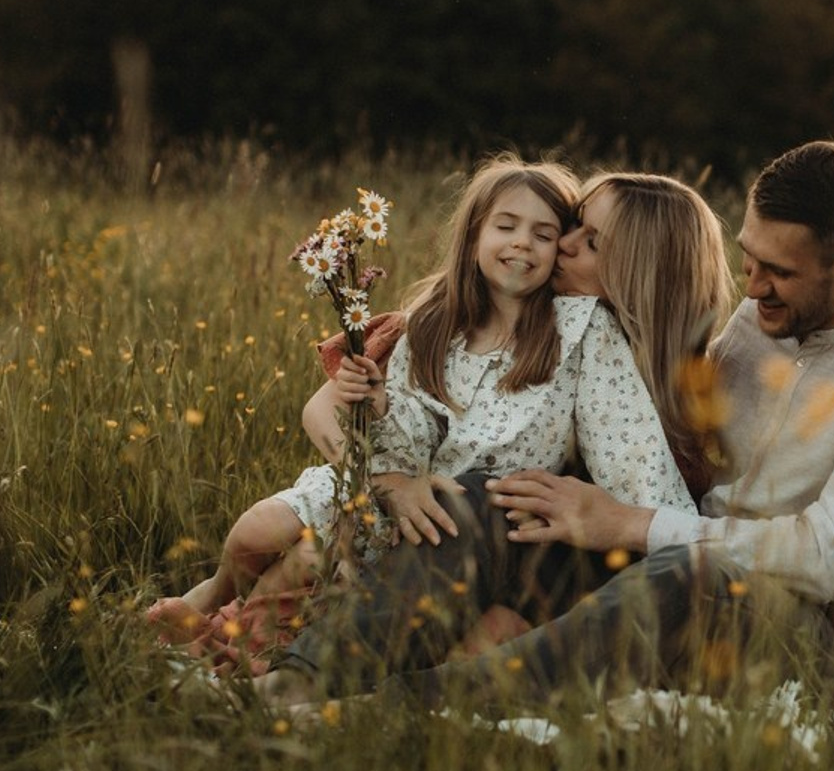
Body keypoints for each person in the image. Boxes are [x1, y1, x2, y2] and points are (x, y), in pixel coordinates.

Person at [260, 139, 834, 714]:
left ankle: (389, 713)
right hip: (679, 564)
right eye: (748, 261)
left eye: (777, 273)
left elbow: (825, 558)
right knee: (488, 498)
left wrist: (629, 525)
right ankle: (295, 681)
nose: (750, 290)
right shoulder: (761, 322)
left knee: (693, 575)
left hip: (815, 632)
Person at [150, 157, 704, 666]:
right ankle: (228, 624)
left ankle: (257, 649)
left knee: (441, 619)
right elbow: (341, 411)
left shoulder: (605, 343)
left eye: (577, 239)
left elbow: (643, 478)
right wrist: (386, 456)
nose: (553, 247)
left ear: (637, 268)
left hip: (500, 542)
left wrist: (690, 549)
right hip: (419, 503)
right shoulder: (443, 320)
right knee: (282, 547)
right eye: (568, 228)